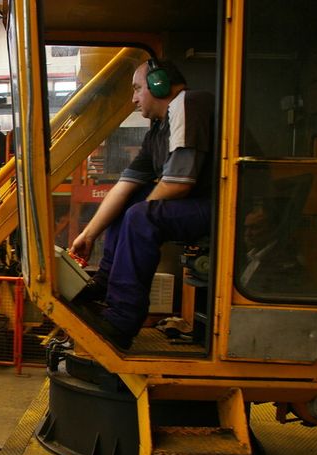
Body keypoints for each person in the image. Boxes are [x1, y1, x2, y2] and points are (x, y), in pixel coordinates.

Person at [70, 59, 214, 349]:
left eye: (137, 89)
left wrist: (139, 218)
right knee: (132, 204)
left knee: (139, 213)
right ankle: (106, 282)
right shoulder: (157, 133)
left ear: (159, 84)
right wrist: (88, 235)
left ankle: (122, 321)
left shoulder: (189, 103)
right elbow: (123, 189)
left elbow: (179, 182)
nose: (134, 98)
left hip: (225, 208)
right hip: (200, 207)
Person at [239, 205, 304, 293]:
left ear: (272, 229)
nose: (247, 233)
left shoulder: (284, 262)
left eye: (255, 227)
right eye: (246, 228)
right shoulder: (250, 257)